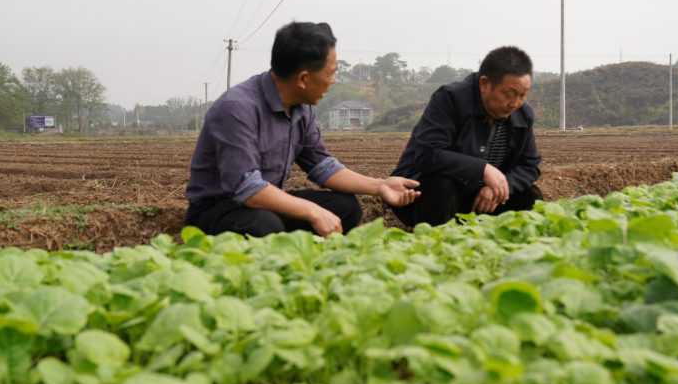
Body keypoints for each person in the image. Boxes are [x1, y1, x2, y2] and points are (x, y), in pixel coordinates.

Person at [185, 21, 419, 238]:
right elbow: (246, 189)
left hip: (263, 203)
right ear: (303, 79)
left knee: (345, 207)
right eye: (330, 73)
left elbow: (322, 167)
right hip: (218, 209)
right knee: (264, 224)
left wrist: (381, 185)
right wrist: (313, 211)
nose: (334, 80)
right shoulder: (237, 108)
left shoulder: (301, 109)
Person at [389, 46, 542, 226]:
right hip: (423, 197)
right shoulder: (450, 99)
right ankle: (433, 241)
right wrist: (483, 170)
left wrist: (500, 186)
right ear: (484, 84)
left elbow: (529, 165)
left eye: (523, 95)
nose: (515, 103)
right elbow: (428, 154)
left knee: (531, 196)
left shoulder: (523, 115)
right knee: (442, 185)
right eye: (509, 95)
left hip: (481, 202)